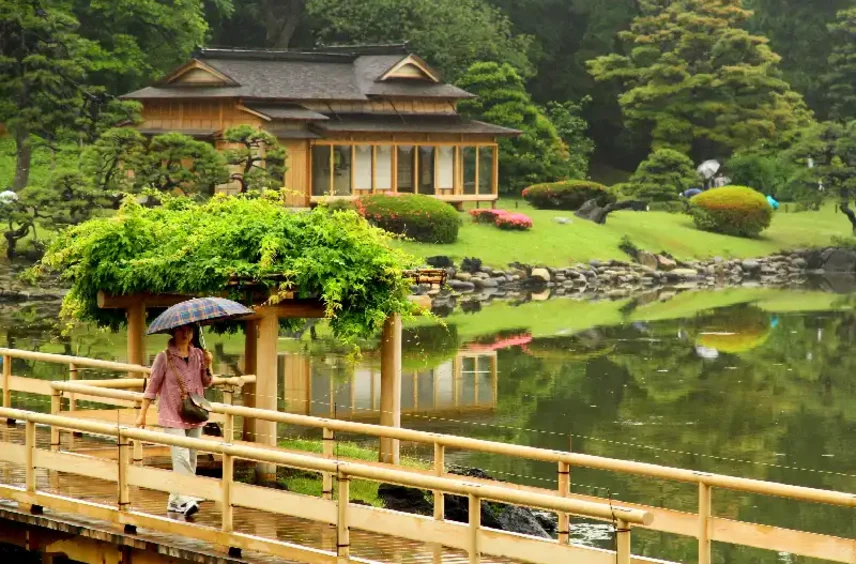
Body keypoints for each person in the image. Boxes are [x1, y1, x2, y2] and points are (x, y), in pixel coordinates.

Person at [135, 324, 213, 517]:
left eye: (189, 330)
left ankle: (175, 500)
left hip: (194, 412)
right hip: (171, 414)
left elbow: (207, 382)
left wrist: (209, 364)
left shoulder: (198, 355)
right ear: (173, 332)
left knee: (192, 458)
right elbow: (152, 386)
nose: (185, 334)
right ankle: (187, 498)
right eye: (181, 330)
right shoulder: (164, 357)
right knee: (181, 457)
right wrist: (142, 413)